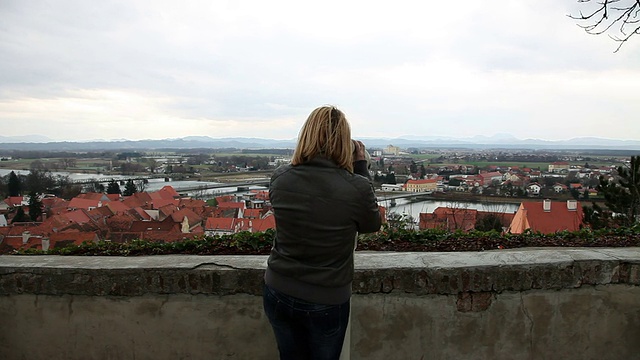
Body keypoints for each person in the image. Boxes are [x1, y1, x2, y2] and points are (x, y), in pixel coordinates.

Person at [263, 105, 382, 360]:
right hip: (326, 297)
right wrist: (360, 168)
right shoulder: (356, 187)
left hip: (278, 288)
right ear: (344, 143)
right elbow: (372, 225)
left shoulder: (280, 178)